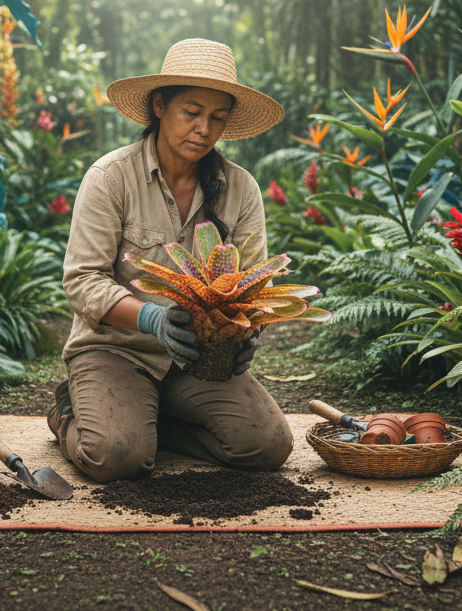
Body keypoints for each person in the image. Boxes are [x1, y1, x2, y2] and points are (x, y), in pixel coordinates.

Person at [47, 38, 294, 482]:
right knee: (117, 458)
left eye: (217, 118)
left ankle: (150, 425)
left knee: (267, 446)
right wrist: (153, 321)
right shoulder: (110, 178)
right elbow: (82, 281)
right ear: (160, 105)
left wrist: (247, 331)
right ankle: (70, 411)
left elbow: (255, 286)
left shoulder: (241, 189)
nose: (204, 128)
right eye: (191, 111)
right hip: (115, 350)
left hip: (198, 360)